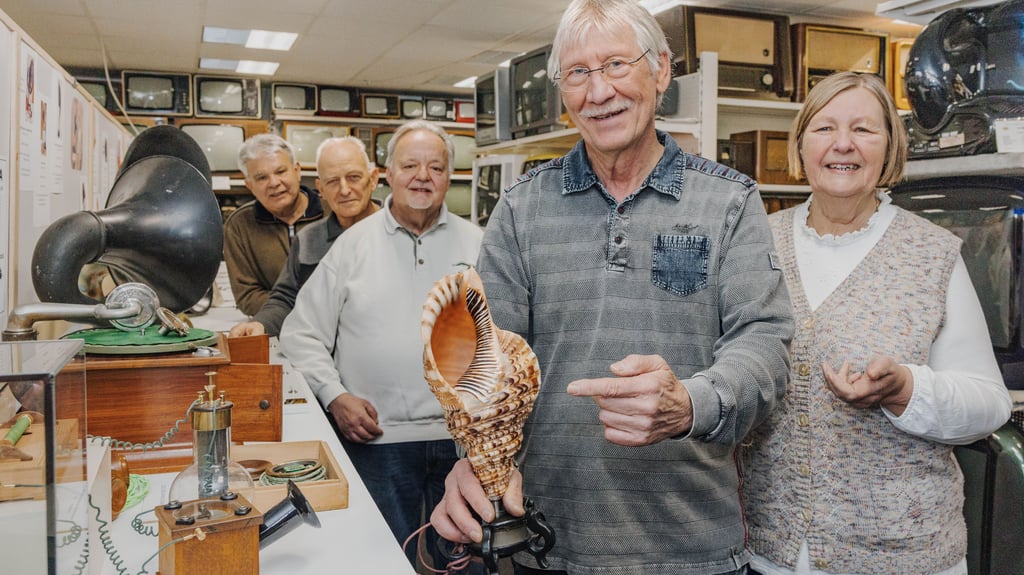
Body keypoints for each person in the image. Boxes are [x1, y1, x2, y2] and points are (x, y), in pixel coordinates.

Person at [430, 1, 794, 574]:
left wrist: (690, 404)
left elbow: (764, 345)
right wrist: (473, 458)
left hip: (691, 546)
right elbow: (482, 357)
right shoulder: (521, 208)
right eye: (577, 73)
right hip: (546, 542)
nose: (599, 91)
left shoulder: (730, 201)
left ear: (662, 70)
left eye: (617, 64)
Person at [739, 72, 1012, 575]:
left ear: (890, 148)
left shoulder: (931, 253)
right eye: (824, 128)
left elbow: (989, 403)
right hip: (770, 552)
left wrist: (906, 390)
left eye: (863, 129)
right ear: (800, 145)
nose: (843, 144)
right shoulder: (755, 244)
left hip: (905, 556)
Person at [279, 120, 484, 570]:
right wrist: (335, 396)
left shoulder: (479, 245)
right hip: (377, 441)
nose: (422, 176)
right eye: (410, 165)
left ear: (450, 176)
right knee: (383, 560)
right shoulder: (352, 246)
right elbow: (300, 333)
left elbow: (504, 340)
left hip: (462, 443)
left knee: (466, 563)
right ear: (388, 173)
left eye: (435, 167)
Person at [229, 136, 380, 338]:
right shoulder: (308, 238)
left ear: (373, 179)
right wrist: (261, 324)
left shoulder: (401, 230)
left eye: (354, 177)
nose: (344, 190)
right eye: (333, 181)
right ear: (321, 189)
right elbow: (285, 298)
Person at [224, 133, 324, 316]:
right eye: (262, 178)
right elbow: (248, 296)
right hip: (276, 326)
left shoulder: (331, 212)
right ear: (250, 185)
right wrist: (304, 310)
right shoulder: (239, 226)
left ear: (297, 171)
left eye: (280, 172)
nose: (274, 183)